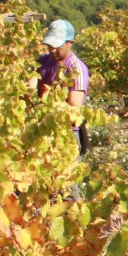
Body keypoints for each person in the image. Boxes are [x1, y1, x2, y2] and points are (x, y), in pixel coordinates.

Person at [33, 19, 90, 156]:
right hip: (41, 130)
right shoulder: (42, 61)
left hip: (67, 133)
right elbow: (30, 86)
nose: (52, 50)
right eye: (50, 45)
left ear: (70, 43)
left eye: (57, 46)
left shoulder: (76, 69)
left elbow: (73, 107)